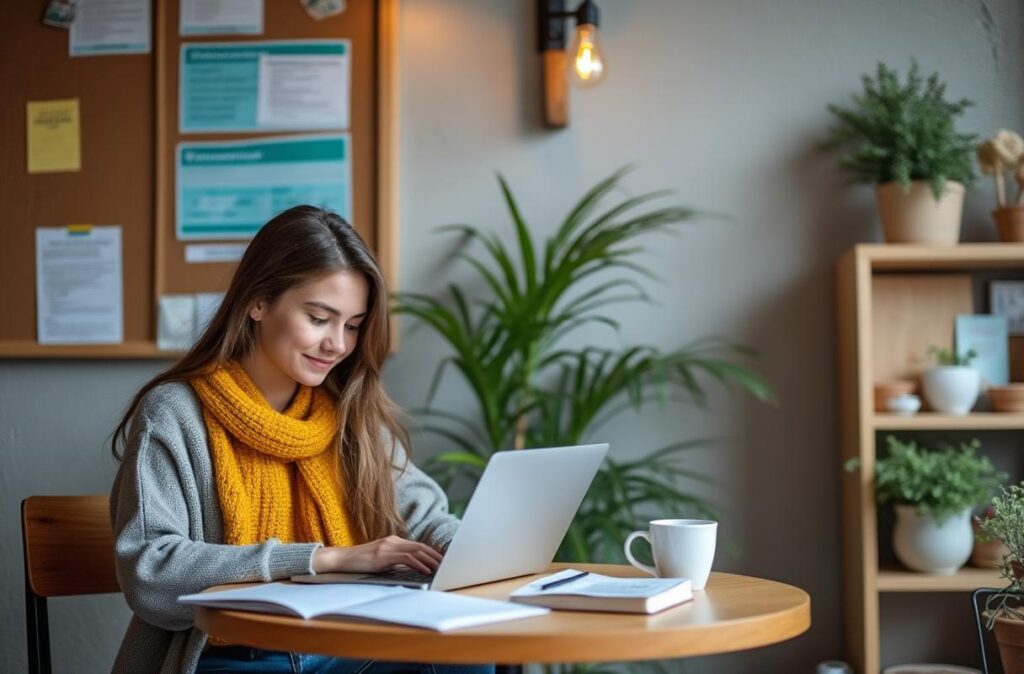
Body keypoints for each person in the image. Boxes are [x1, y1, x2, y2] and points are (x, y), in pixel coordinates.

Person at [110, 206, 493, 674]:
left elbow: (425, 516)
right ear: (258, 302)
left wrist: (471, 551)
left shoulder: (349, 412)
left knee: (467, 659)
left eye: (352, 325)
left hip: (350, 647)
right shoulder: (175, 414)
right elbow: (151, 573)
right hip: (234, 654)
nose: (338, 344)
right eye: (319, 318)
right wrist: (324, 559)